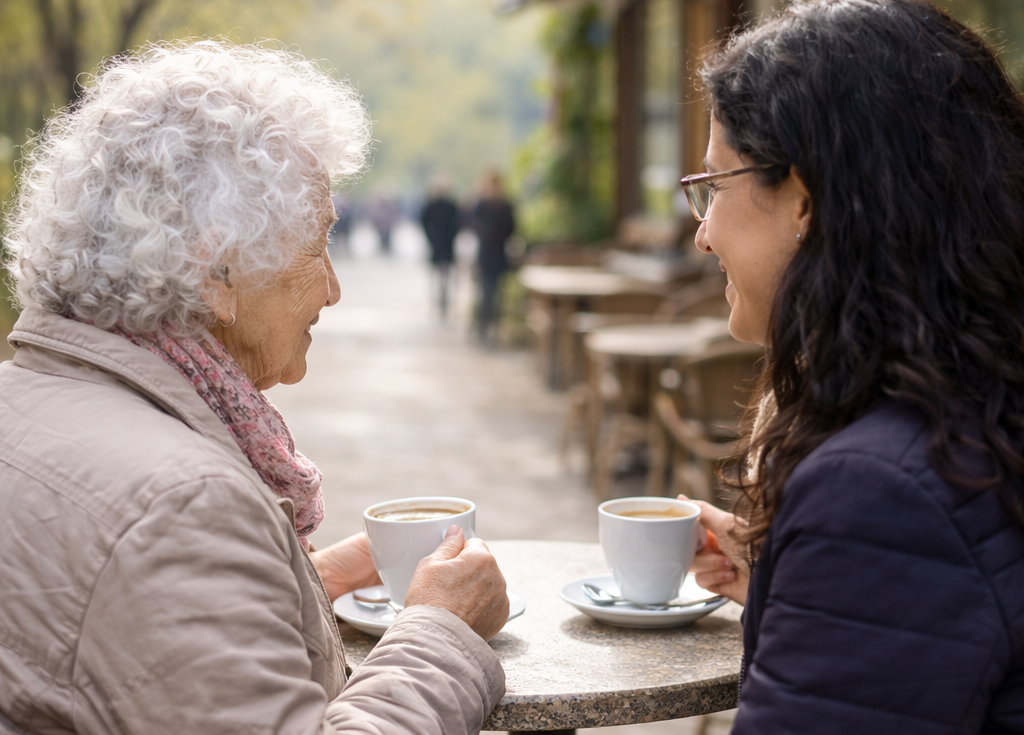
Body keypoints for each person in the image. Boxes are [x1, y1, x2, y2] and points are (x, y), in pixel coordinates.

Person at [0, 41, 508, 735]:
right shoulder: (181, 506)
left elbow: (124, 634)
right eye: (317, 243)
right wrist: (441, 634)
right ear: (217, 271)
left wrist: (292, 589)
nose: (332, 287)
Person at [678, 0, 1024, 732]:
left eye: (713, 186)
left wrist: (845, 556)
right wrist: (795, 584)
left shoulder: (877, 492)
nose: (703, 235)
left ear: (802, 198)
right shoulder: (981, 405)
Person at [470, 171, 515, 345]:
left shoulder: (505, 205)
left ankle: (493, 330)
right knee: (485, 294)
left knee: (496, 296)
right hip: (485, 255)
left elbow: (511, 229)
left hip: (498, 255)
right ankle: (483, 329)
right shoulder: (482, 204)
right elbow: (473, 225)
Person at [420, 176, 460, 319]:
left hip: (441, 244)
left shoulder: (438, 205)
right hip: (441, 244)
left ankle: (440, 303)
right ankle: (438, 303)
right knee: (441, 276)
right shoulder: (441, 205)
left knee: (440, 277)